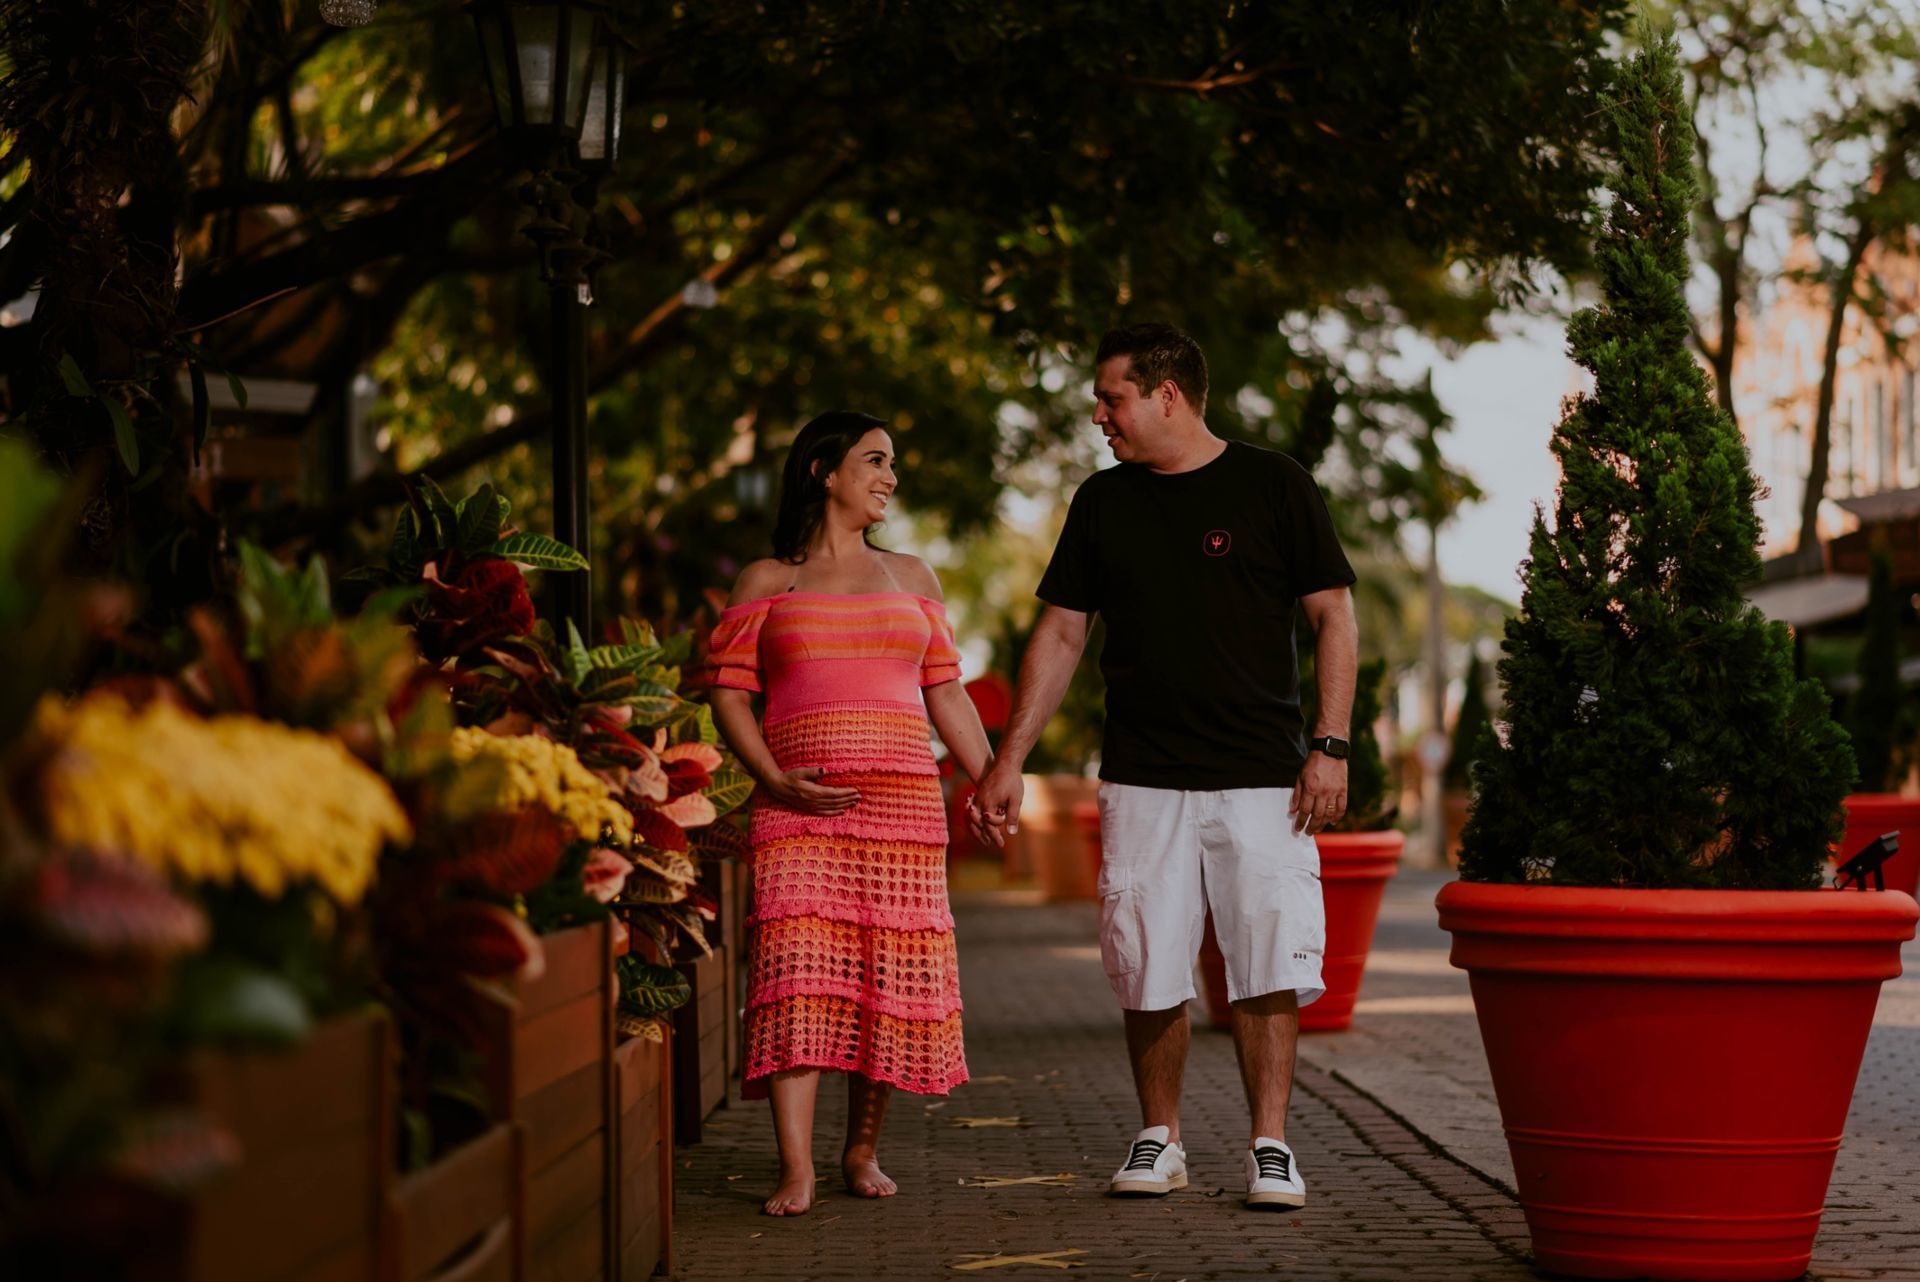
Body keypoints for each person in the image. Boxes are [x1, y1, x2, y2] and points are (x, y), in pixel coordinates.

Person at [972, 323, 1359, 1211]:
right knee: (1145, 959)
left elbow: (1334, 617)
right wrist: (1009, 759)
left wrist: (1330, 747)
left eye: (1112, 400)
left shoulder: (1275, 484)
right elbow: (1064, 631)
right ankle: (1161, 1140)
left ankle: (1271, 1147)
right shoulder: (1102, 504)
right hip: (1144, 774)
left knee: (1266, 958)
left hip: (1265, 775)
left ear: (1166, 395)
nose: (1102, 419)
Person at [706, 410, 996, 1217]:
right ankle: (795, 1168)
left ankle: (860, 1150)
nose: (889, 478)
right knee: (795, 980)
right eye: (874, 461)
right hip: (795, 809)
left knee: (884, 981)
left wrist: (991, 779)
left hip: (902, 807)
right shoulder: (771, 580)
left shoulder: (912, 577)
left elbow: (946, 692)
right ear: (822, 472)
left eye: (892, 464)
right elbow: (730, 695)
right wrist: (774, 778)